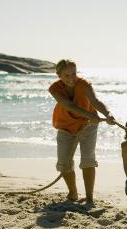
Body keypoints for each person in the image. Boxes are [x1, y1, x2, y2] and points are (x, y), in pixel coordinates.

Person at [48, 59, 116, 204]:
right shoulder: (54, 88)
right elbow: (68, 105)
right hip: (66, 125)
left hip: (88, 125)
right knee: (64, 162)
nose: (71, 78)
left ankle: (89, 197)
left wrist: (107, 114)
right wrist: (91, 115)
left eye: (73, 73)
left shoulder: (84, 84)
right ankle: (73, 193)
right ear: (59, 75)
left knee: (88, 159)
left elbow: (95, 101)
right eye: (66, 75)